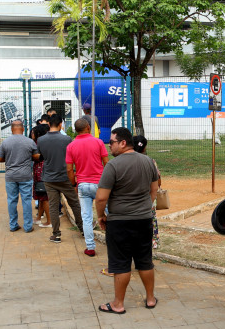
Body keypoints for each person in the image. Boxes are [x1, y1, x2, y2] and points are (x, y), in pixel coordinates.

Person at [95, 127, 159, 314]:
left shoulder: (113, 166)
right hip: (144, 219)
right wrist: (145, 207)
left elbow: (100, 198)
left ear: (123, 143)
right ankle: (150, 299)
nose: (109, 146)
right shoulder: (148, 162)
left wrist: (101, 215)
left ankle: (118, 304)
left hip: (119, 221)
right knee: (145, 261)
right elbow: (153, 190)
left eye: (112, 142)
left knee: (121, 263)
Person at [37, 114, 84, 243]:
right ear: (60, 124)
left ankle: (56, 234)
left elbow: (40, 156)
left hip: (49, 178)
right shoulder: (67, 139)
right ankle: (83, 229)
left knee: (53, 206)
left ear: (49, 125)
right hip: (65, 177)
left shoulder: (41, 140)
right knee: (74, 203)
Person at [66, 116, 108, 256]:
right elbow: (107, 164)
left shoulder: (71, 146)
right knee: (110, 213)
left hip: (83, 184)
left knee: (86, 217)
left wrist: (74, 183)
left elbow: (69, 169)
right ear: (88, 128)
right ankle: (116, 242)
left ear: (75, 130)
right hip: (100, 184)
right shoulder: (98, 142)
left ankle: (90, 247)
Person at [0, 120, 40, 233]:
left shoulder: (5, 142)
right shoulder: (29, 142)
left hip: (10, 176)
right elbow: (36, 156)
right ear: (23, 129)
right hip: (25, 176)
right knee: (26, 201)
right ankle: (28, 226)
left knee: (11, 200)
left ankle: (13, 225)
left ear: (11, 129)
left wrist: (10, 159)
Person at [133, 135, 162, 249]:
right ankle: (153, 241)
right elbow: (158, 180)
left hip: (133, 196)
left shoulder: (126, 161)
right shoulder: (150, 161)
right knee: (151, 219)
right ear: (144, 148)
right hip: (148, 195)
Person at [30, 123, 51, 228]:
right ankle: (39, 217)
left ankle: (49, 221)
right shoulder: (43, 142)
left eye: (33, 132)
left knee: (44, 196)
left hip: (40, 171)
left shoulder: (38, 143)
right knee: (41, 195)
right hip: (40, 170)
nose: (31, 134)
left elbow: (38, 157)